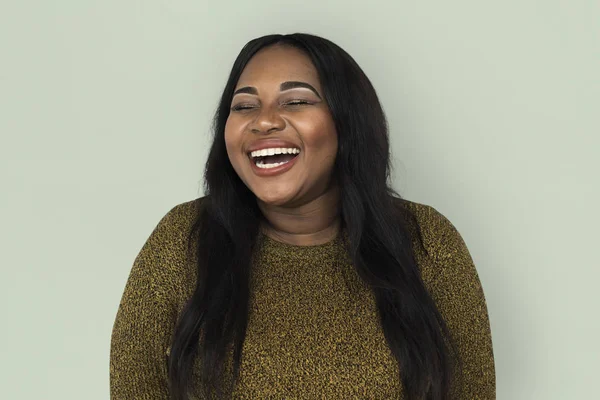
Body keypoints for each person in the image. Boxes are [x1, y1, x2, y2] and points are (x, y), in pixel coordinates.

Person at [110, 33, 495, 399]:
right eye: (244, 106)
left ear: (348, 122)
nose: (264, 121)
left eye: (295, 101)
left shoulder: (426, 241)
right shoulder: (184, 239)